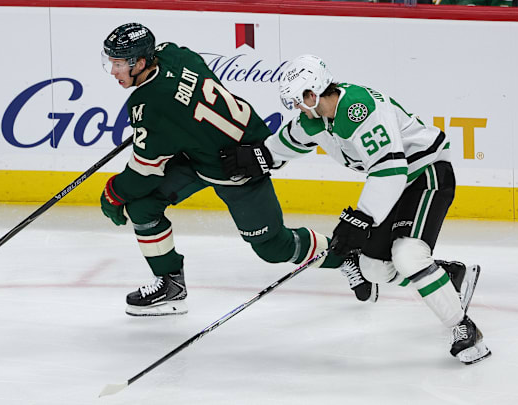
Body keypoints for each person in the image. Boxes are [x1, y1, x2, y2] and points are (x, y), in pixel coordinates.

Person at [221, 54, 491, 364]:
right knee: (374, 268)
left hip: (426, 174)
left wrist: (361, 219)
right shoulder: (316, 118)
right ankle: (449, 276)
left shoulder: (359, 110)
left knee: (407, 256)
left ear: (313, 92)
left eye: (298, 99)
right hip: (396, 183)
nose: (296, 106)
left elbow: (390, 169)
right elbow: (290, 140)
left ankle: (464, 327)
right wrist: (259, 155)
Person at [98, 23, 378, 317]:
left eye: (118, 64)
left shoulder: (148, 104)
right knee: (143, 207)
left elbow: (144, 171)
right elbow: (194, 93)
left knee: (273, 247)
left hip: (240, 165)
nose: (113, 71)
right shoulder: (172, 53)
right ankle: (171, 285)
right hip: (200, 155)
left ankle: (345, 256)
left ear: (140, 62)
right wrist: (175, 127)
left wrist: (113, 194)